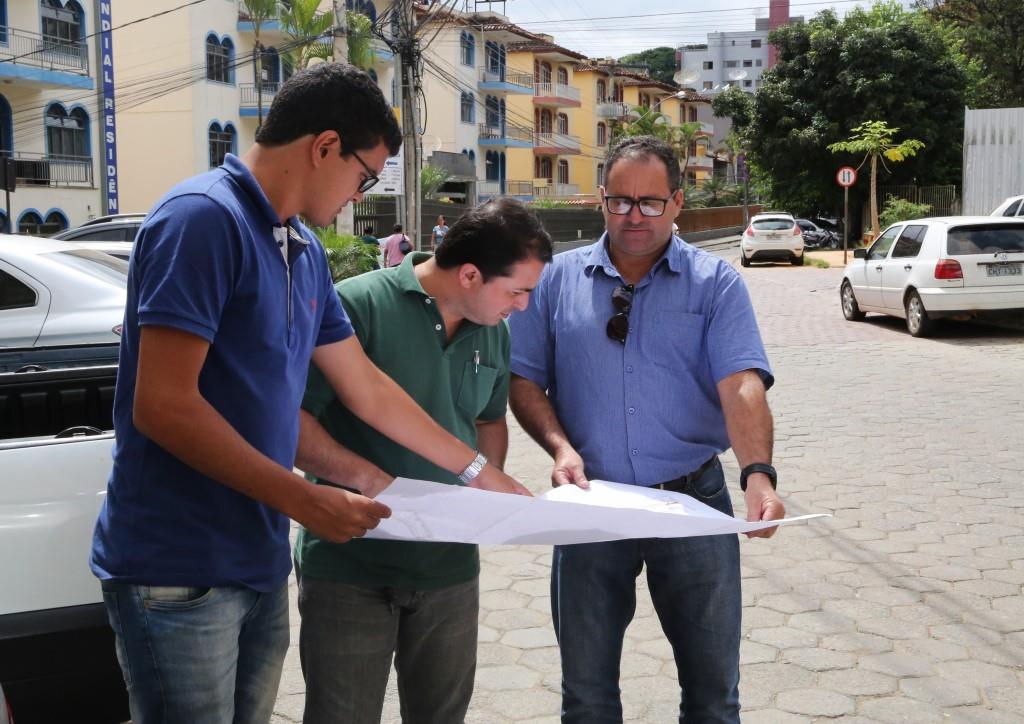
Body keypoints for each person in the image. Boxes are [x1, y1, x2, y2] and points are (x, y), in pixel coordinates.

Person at [90, 62, 527, 724]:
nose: (360, 194)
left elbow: (366, 388)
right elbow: (163, 405)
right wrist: (304, 501)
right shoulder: (203, 221)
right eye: (365, 174)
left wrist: (472, 470)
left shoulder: (300, 248)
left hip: (255, 561)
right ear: (324, 146)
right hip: (178, 568)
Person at [508, 135, 786, 723]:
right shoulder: (554, 281)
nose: (634, 215)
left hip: (693, 501)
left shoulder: (716, 284)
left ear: (678, 202)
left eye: (651, 202)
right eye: (621, 200)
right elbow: (524, 380)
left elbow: (741, 384)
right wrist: (558, 447)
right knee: (586, 697)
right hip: (591, 504)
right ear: (601, 200)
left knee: (714, 696)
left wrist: (757, 476)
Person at [294, 197, 552, 724]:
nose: (523, 306)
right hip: (350, 565)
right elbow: (292, 424)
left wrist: (483, 495)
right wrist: (371, 484)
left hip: (448, 571)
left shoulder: (493, 331)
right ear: (471, 275)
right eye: (518, 290)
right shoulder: (356, 307)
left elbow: (487, 419)